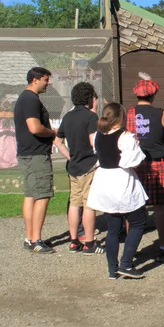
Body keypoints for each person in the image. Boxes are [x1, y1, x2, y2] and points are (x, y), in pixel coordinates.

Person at [87, 103, 148, 279]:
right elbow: (131, 162)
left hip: (104, 181)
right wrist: (136, 144)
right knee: (137, 222)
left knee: (113, 228)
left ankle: (112, 268)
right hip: (121, 180)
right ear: (120, 118)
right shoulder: (125, 137)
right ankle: (126, 264)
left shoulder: (98, 135)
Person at [126, 75, 164, 263]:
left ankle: (131, 249)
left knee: (134, 206)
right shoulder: (161, 113)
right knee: (160, 208)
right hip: (157, 163)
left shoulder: (130, 113)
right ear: (153, 94)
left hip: (135, 165)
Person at [54, 82, 104, 255]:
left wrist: (69, 156)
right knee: (89, 204)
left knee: (75, 203)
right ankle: (90, 242)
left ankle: (74, 241)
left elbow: (58, 141)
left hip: (73, 167)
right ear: (89, 98)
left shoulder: (68, 117)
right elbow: (93, 141)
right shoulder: (91, 117)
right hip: (89, 165)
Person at [14, 67, 56, 253]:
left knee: (30, 195)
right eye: (46, 80)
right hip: (36, 154)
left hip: (26, 153)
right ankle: (36, 240)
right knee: (42, 195)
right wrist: (52, 132)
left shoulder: (24, 98)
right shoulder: (30, 99)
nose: (48, 83)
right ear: (35, 80)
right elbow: (35, 127)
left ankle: (30, 238)